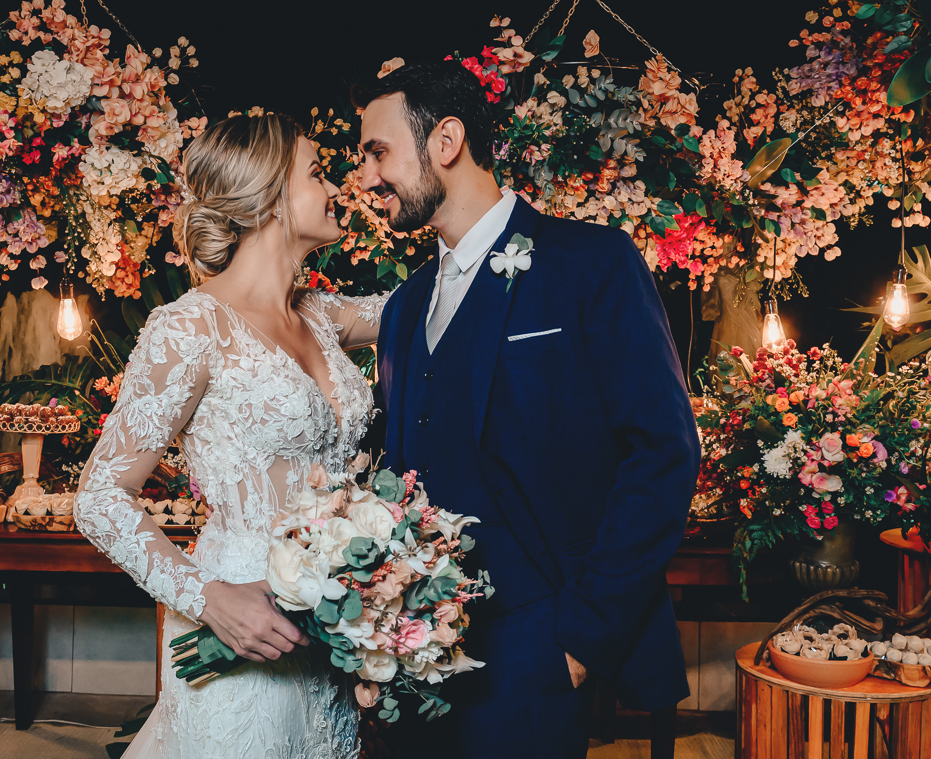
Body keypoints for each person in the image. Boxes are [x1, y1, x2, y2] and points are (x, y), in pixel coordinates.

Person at [357, 61, 700, 758]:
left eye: (377, 151)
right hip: (413, 656)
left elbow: (664, 450)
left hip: (539, 647)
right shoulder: (401, 311)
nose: (365, 177)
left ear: (445, 141)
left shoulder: (591, 263)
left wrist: (582, 635)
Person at [75, 113, 387, 758]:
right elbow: (99, 495)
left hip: (330, 624)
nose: (338, 189)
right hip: (241, 621)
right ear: (271, 195)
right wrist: (206, 597)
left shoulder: (325, 314)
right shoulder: (190, 328)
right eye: (318, 173)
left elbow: (442, 304)